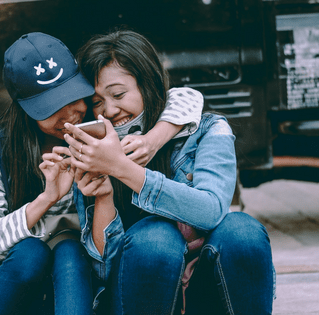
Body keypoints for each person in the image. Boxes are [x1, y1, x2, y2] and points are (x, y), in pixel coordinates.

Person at [0, 32, 204, 315]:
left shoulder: (98, 128)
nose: (70, 114)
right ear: (25, 109)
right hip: (14, 280)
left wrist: (153, 139)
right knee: (31, 252)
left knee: (69, 251)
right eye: (50, 108)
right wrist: (46, 199)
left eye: (73, 97)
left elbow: (187, 98)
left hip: (80, 275)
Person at [64, 30, 275, 315]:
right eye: (98, 101)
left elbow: (211, 209)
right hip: (136, 291)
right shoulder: (93, 150)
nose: (110, 109)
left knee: (243, 231)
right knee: (155, 238)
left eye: (118, 94)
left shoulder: (208, 130)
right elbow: (104, 267)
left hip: (206, 288)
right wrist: (103, 196)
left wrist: (124, 169)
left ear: (147, 84)